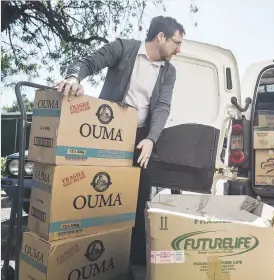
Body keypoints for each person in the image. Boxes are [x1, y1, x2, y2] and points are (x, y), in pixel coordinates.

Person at [53, 16, 185, 266]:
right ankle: (84, 255)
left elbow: (163, 107)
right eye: (177, 42)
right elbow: (89, 62)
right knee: (98, 189)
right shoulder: (124, 48)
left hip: (140, 137)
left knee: (139, 197)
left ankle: (133, 263)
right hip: (107, 131)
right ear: (161, 37)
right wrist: (73, 78)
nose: (179, 49)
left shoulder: (169, 71)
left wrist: (150, 139)